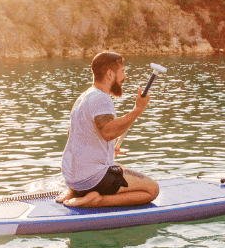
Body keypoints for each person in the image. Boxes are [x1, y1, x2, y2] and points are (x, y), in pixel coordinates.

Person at [56, 52, 160, 207]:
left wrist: (107, 149)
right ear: (110, 74)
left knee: (121, 167)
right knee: (152, 190)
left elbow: (73, 134)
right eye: (122, 71)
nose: (125, 76)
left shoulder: (84, 97)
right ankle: (96, 200)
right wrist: (138, 110)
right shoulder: (101, 98)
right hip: (91, 179)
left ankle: (75, 191)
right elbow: (108, 132)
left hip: (72, 177)